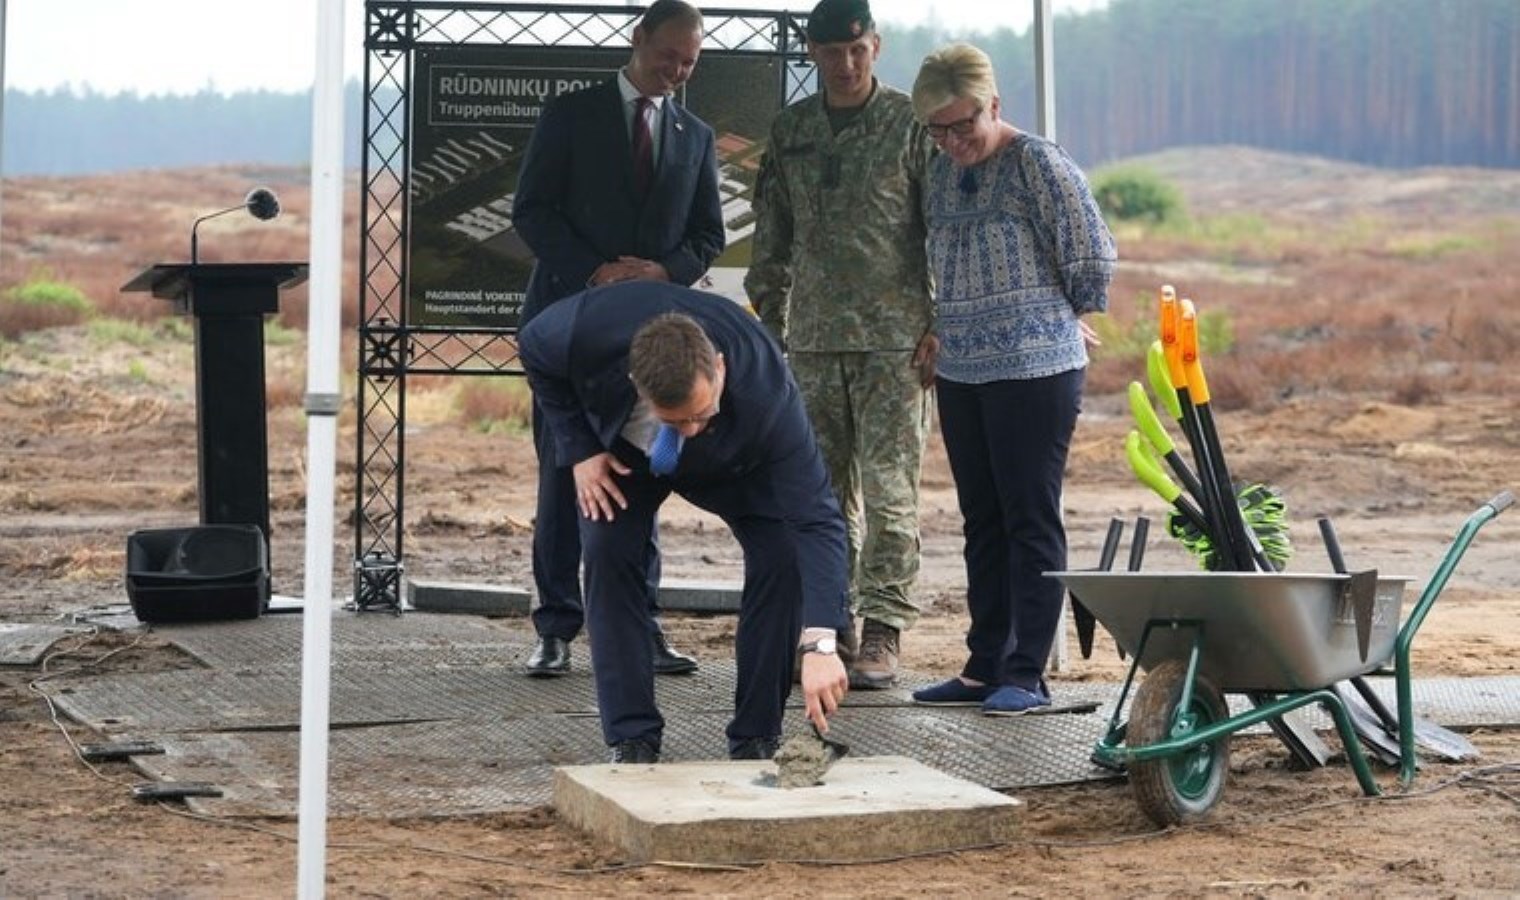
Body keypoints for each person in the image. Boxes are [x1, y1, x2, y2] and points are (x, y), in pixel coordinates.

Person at [518, 281, 853, 763]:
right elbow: (533, 350)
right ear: (637, 382)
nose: (690, 430)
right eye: (677, 421)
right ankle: (632, 738)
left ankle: (756, 734)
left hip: (738, 458)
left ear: (718, 368)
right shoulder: (582, 331)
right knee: (608, 553)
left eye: (698, 414)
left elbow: (818, 520)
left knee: (781, 554)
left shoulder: (768, 394)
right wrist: (581, 450)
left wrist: (821, 642)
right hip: (628, 455)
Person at [511, 0, 725, 679]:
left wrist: (665, 273)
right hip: (570, 323)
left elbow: (708, 236)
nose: (677, 71)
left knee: (642, 480)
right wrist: (595, 271)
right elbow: (532, 211)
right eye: (668, 56)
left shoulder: (695, 134)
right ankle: (556, 627)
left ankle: (641, 626)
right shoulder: (569, 114)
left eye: (689, 62)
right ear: (638, 40)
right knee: (563, 476)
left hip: (651, 339)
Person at [907, 43, 1116, 715]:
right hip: (963, 369)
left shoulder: (1038, 164)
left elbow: (1089, 251)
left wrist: (1064, 314)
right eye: (938, 129)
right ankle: (982, 664)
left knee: (1028, 516)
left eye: (964, 124)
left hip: (1034, 369)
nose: (953, 140)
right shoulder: (940, 174)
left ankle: (1026, 671)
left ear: (993, 105)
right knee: (982, 520)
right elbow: (937, 256)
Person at [744, 0, 937, 689]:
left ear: (875, 48)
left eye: (857, 50)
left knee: (890, 492)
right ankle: (834, 625)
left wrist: (939, 319)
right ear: (813, 55)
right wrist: (768, 328)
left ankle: (883, 627)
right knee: (821, 493)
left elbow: (939, 223)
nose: (846, 64)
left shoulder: (910, 124)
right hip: (813, 341)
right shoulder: (792, 129)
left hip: (896, 345)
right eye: (831, 52)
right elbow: (773, 236)